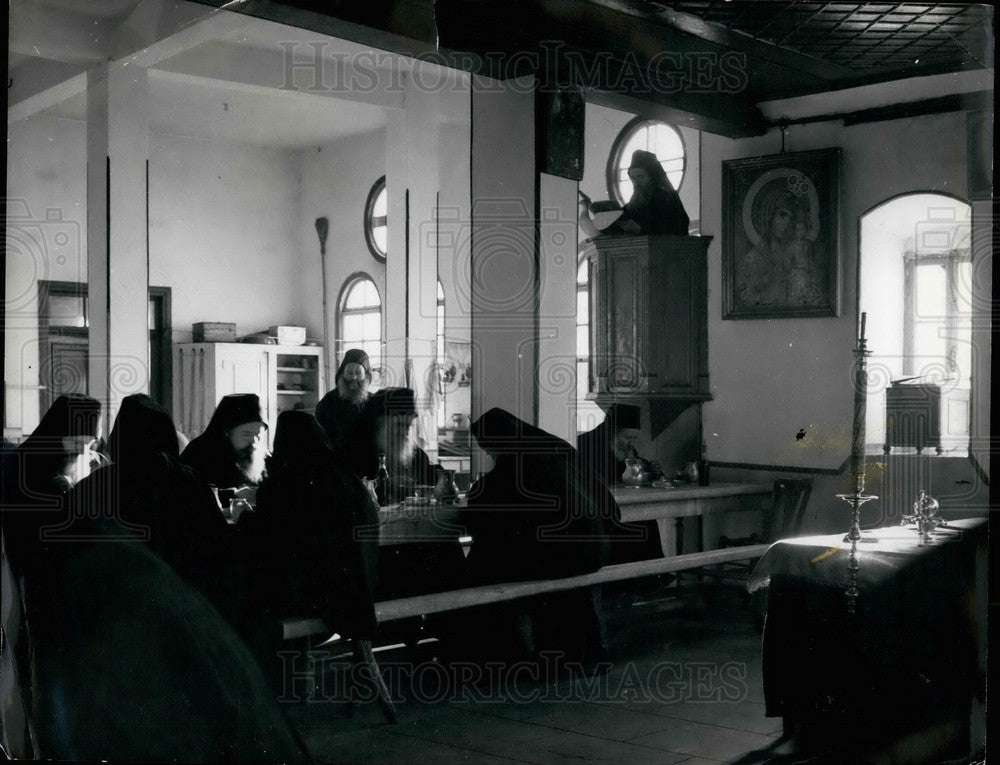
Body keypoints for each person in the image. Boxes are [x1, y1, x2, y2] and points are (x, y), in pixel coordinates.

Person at [456, 408, 613, 669]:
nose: (491, 456)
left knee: (480, 563)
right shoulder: (557, 447)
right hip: (596, 552)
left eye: (489, 450)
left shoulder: (515, 460)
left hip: (566, 556)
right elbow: (610, 507)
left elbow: (480, 506)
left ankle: (494, 653)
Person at [62, 394, 231, 613]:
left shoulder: (94, 485)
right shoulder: (191, 482)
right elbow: (219, 549)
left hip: (115, 610)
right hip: (185, 607)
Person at [341, 387, 462, 600]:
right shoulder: (352, 453)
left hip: (413, 543)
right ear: (378, 423)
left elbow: (433, 478)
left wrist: (441, 479)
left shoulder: (413, 454)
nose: (405, 433)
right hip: (376, 551)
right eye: (398, 426)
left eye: (408, 426)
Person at [1, 394, 102, 578]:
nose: (82, 451)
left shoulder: (84, 461)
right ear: (57, 436)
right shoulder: (24, 468)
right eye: (75, 442)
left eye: (89, 444)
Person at [577, 403, 663, 562]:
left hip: (623, 504)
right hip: (596, 509)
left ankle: (653, 571)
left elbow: (632, 465)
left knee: (647, 519)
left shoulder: (622, 446)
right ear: (611, 432)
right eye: (627, 437)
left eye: (634, 438)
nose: (631, 443)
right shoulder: (587, 444)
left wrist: (651, 468)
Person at [579, 149, 690, 238]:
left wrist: (640, 230)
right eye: (632, 178)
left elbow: (676, 230)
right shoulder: (634, 203)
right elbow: (619, 222)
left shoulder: (667, 199)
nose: (635, 182)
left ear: (653, 177)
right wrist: (591, 208)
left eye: (640, 177)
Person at [180, 393, 268, 494]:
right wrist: (233, 494)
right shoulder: (198, 453)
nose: (254, 441)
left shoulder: (263, 456)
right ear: (226, 431)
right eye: (247, 434)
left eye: (258, 435)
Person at [314, 348, 372, 448]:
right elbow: (319, 437)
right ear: (342, 374)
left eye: (358, 373)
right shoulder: (328, 401)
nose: (354, 378)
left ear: (366, 376)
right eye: (349, 373)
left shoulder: (373, 402)